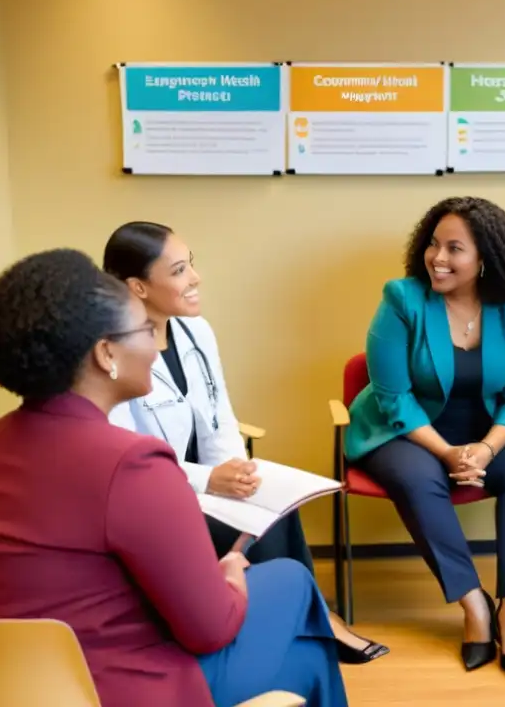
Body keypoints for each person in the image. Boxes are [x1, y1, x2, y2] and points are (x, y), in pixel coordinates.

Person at [0, 248, 349, 707]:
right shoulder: (132, 464)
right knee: (291, 580)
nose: (155, 343)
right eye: (145, 330)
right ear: (107, 354)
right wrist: (228, 578)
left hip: (25, 685)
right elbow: (211, 629)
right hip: (123, 687)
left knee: (305, 661)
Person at [102, 221, 386, 665]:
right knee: (260, 522)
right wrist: (209, 479)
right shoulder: (114, 351)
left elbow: (220, 419)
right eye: (178, 270)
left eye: (190, 264)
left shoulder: (197, 332)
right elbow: (126, 455)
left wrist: (240, 472)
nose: (195, 278)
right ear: (137, 286)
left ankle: (297, 621)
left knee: (273, 504)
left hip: (209, 484)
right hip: (156, 495)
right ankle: (308, 623)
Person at [345, 196, 505, 673]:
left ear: (485, 259)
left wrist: (483, 449)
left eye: (455, 248)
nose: (438, 258)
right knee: (418, 476)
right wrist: (446, 452)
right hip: (405, 432)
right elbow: (393, 395)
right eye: (434, 245)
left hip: (487, 432)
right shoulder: (402, 299)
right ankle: (472, 604)